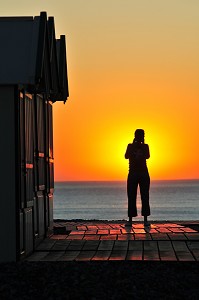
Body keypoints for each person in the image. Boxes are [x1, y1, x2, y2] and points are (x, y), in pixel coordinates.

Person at [125, 129, 150, 226]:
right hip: (135, 173)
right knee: (134, 196)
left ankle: (142, 220)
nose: (142, 137)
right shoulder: (131, 146)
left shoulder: (145, 146)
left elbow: (148, 156)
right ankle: (137, 220)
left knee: (143, 196)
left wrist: (138, 149)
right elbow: (126, 156)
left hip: (141, 173)